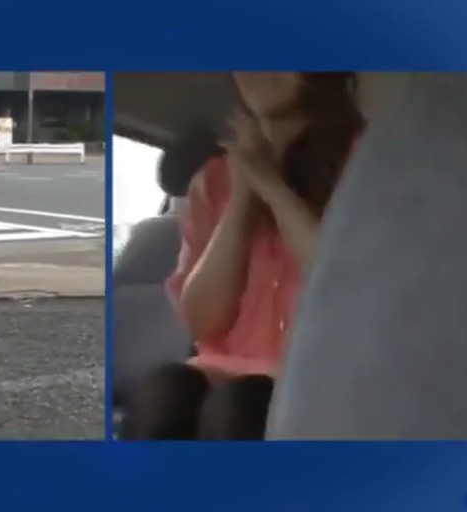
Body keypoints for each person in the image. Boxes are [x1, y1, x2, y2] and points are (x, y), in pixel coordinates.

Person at [125, 72, 366, 440]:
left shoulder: (367, 164)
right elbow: (203, 323)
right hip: (219, 372)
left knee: (239, 407)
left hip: (319, 379)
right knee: (164, 393)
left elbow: (343, 291)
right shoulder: (214, 180)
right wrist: (242, 198)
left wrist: (270, 185)